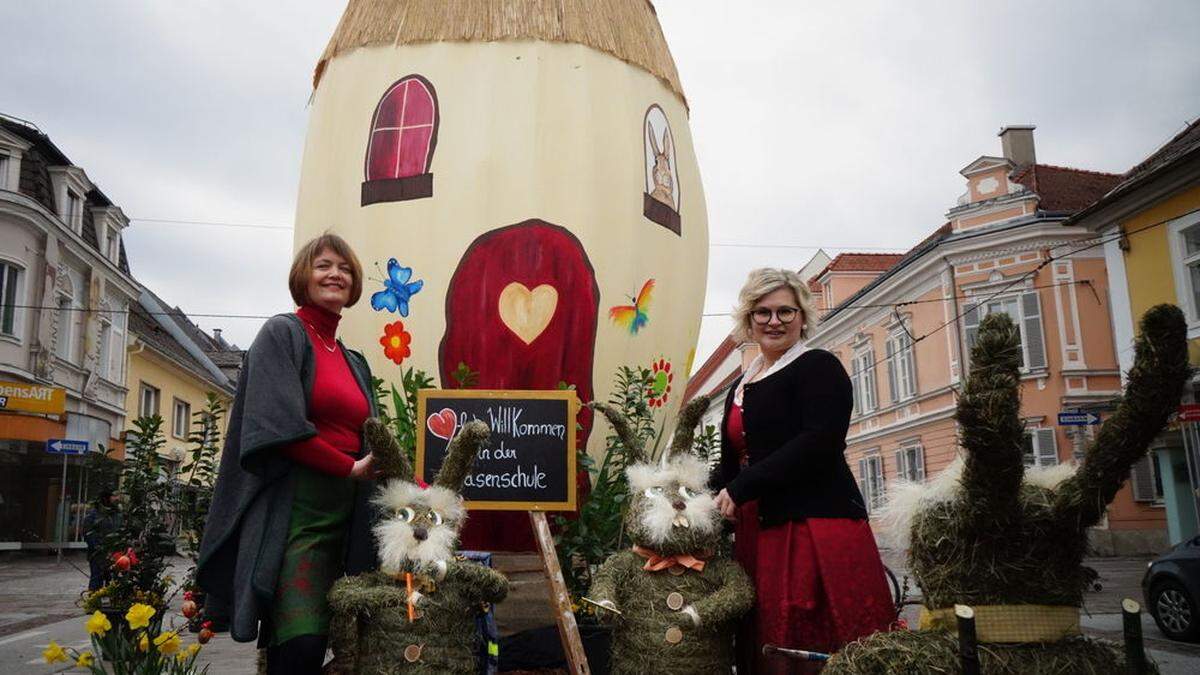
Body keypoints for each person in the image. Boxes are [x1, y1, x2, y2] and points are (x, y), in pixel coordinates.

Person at [197, 233, 381, 675]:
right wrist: (348, 467)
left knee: (341, 646)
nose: (335, 274)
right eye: (323, 265)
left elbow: (372, 438)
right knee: (301, 641)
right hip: (298, 513)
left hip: (350, 516)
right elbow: (276, 428)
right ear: (303, 276)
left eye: (345, 268)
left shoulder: (354, 360)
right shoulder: (283, 333)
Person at [713, 268, 894, 674]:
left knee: (805, 637)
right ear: (749, 319)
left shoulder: (818, 367)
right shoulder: (742, 383)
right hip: (758, 527)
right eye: (763, 312)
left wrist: (743, 487)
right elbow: (734, 458)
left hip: (812, 525)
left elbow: (819, 441)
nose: (774, 321)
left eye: (785, 311)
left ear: (802, 316)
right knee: (764, 640)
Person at [82, 490, 120, 592]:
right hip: (97, 553)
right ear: (106, 498)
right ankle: (95, 602)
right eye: (114, 496)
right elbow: (88, 532)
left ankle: (110, 602)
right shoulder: (94, 513)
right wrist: (98, 547)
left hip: (114, 553)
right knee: (96, 579)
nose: (117, 499)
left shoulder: (116, 513)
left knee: (112, 580)